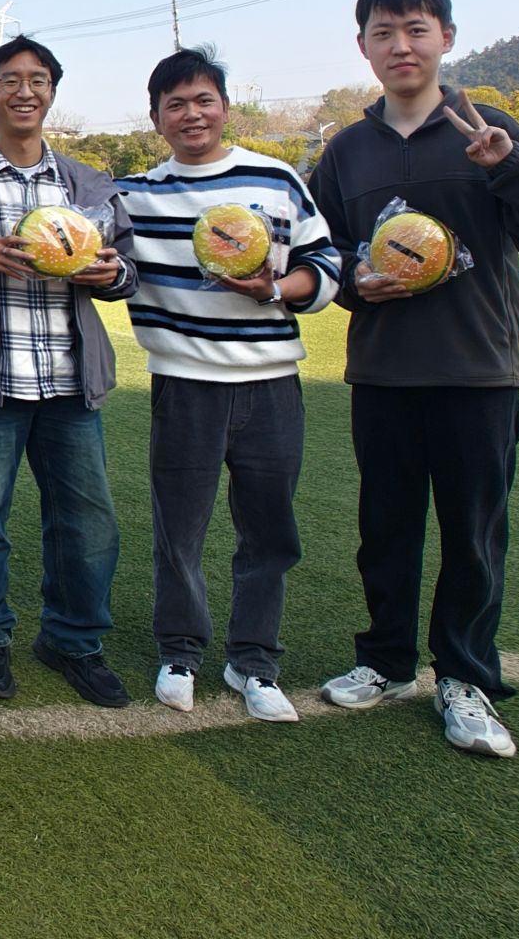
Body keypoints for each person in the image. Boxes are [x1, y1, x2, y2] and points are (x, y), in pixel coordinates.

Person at [310, 0, 519, 759]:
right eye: (384, 32)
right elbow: (324, 256)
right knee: (385, 531)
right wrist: (357, 283)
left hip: (478, 372)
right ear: (363, 47)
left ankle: (466, 677)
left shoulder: (489, 127)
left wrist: (509, 165)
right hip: (385, 372)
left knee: (474, 536)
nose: (401, 46)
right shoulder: (346, 150)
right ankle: (385, 660)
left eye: (416, 29)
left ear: (446, 36)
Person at [113, 47, 341, 721]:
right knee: (179, 530)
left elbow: (325, 265)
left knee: (268, 532)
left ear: (225, 107)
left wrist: (274, 287)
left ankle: (254, 661)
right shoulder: (134, 194)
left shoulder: (275, 179)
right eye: (176, 104)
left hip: (271, 385)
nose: (192, 114)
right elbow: (85, 238)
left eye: (203, 100)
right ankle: (180, 650)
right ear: (156, 118)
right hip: (184, 384)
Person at [0, 35, 137, 708]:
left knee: (87, 522)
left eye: (38, 80)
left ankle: (74, 640)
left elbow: (127, 268)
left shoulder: (86, 183)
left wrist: (112, 273)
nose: (24, 91)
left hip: (70, 379)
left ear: (52, 91)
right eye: (11, 80)